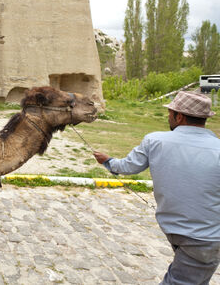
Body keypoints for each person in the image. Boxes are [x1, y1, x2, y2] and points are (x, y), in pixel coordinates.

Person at [93, 91, 220, 284]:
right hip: (202, 237)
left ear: (179, 116)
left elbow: (128, 166)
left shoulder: (155, 141)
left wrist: (108, 161)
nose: (168, 117)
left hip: (193, 236)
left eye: (170, 113)